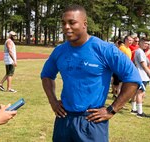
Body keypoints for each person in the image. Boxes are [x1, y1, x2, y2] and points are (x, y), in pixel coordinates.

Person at [40, 4, 142, 142]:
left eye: (72, 22)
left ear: (84, 24)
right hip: (64, 120)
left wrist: (111, 109)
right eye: (63, 23)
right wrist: (53, 101)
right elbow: (46, 75)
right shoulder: (59, 51)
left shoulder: (104, 49)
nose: (66, 27)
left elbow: (133, 78)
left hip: (91, 121)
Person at [131, 37, 150, 117]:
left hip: (141, 75)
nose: (147, 45)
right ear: (141, 42)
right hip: (142, 76)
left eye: (148, 44)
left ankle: (134, 109)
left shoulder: (140, 51)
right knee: (140, 93)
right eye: (145, 43)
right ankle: (139, 112)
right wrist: (149, 73)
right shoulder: (139, 52)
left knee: (137, 93)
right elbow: (144, 65)